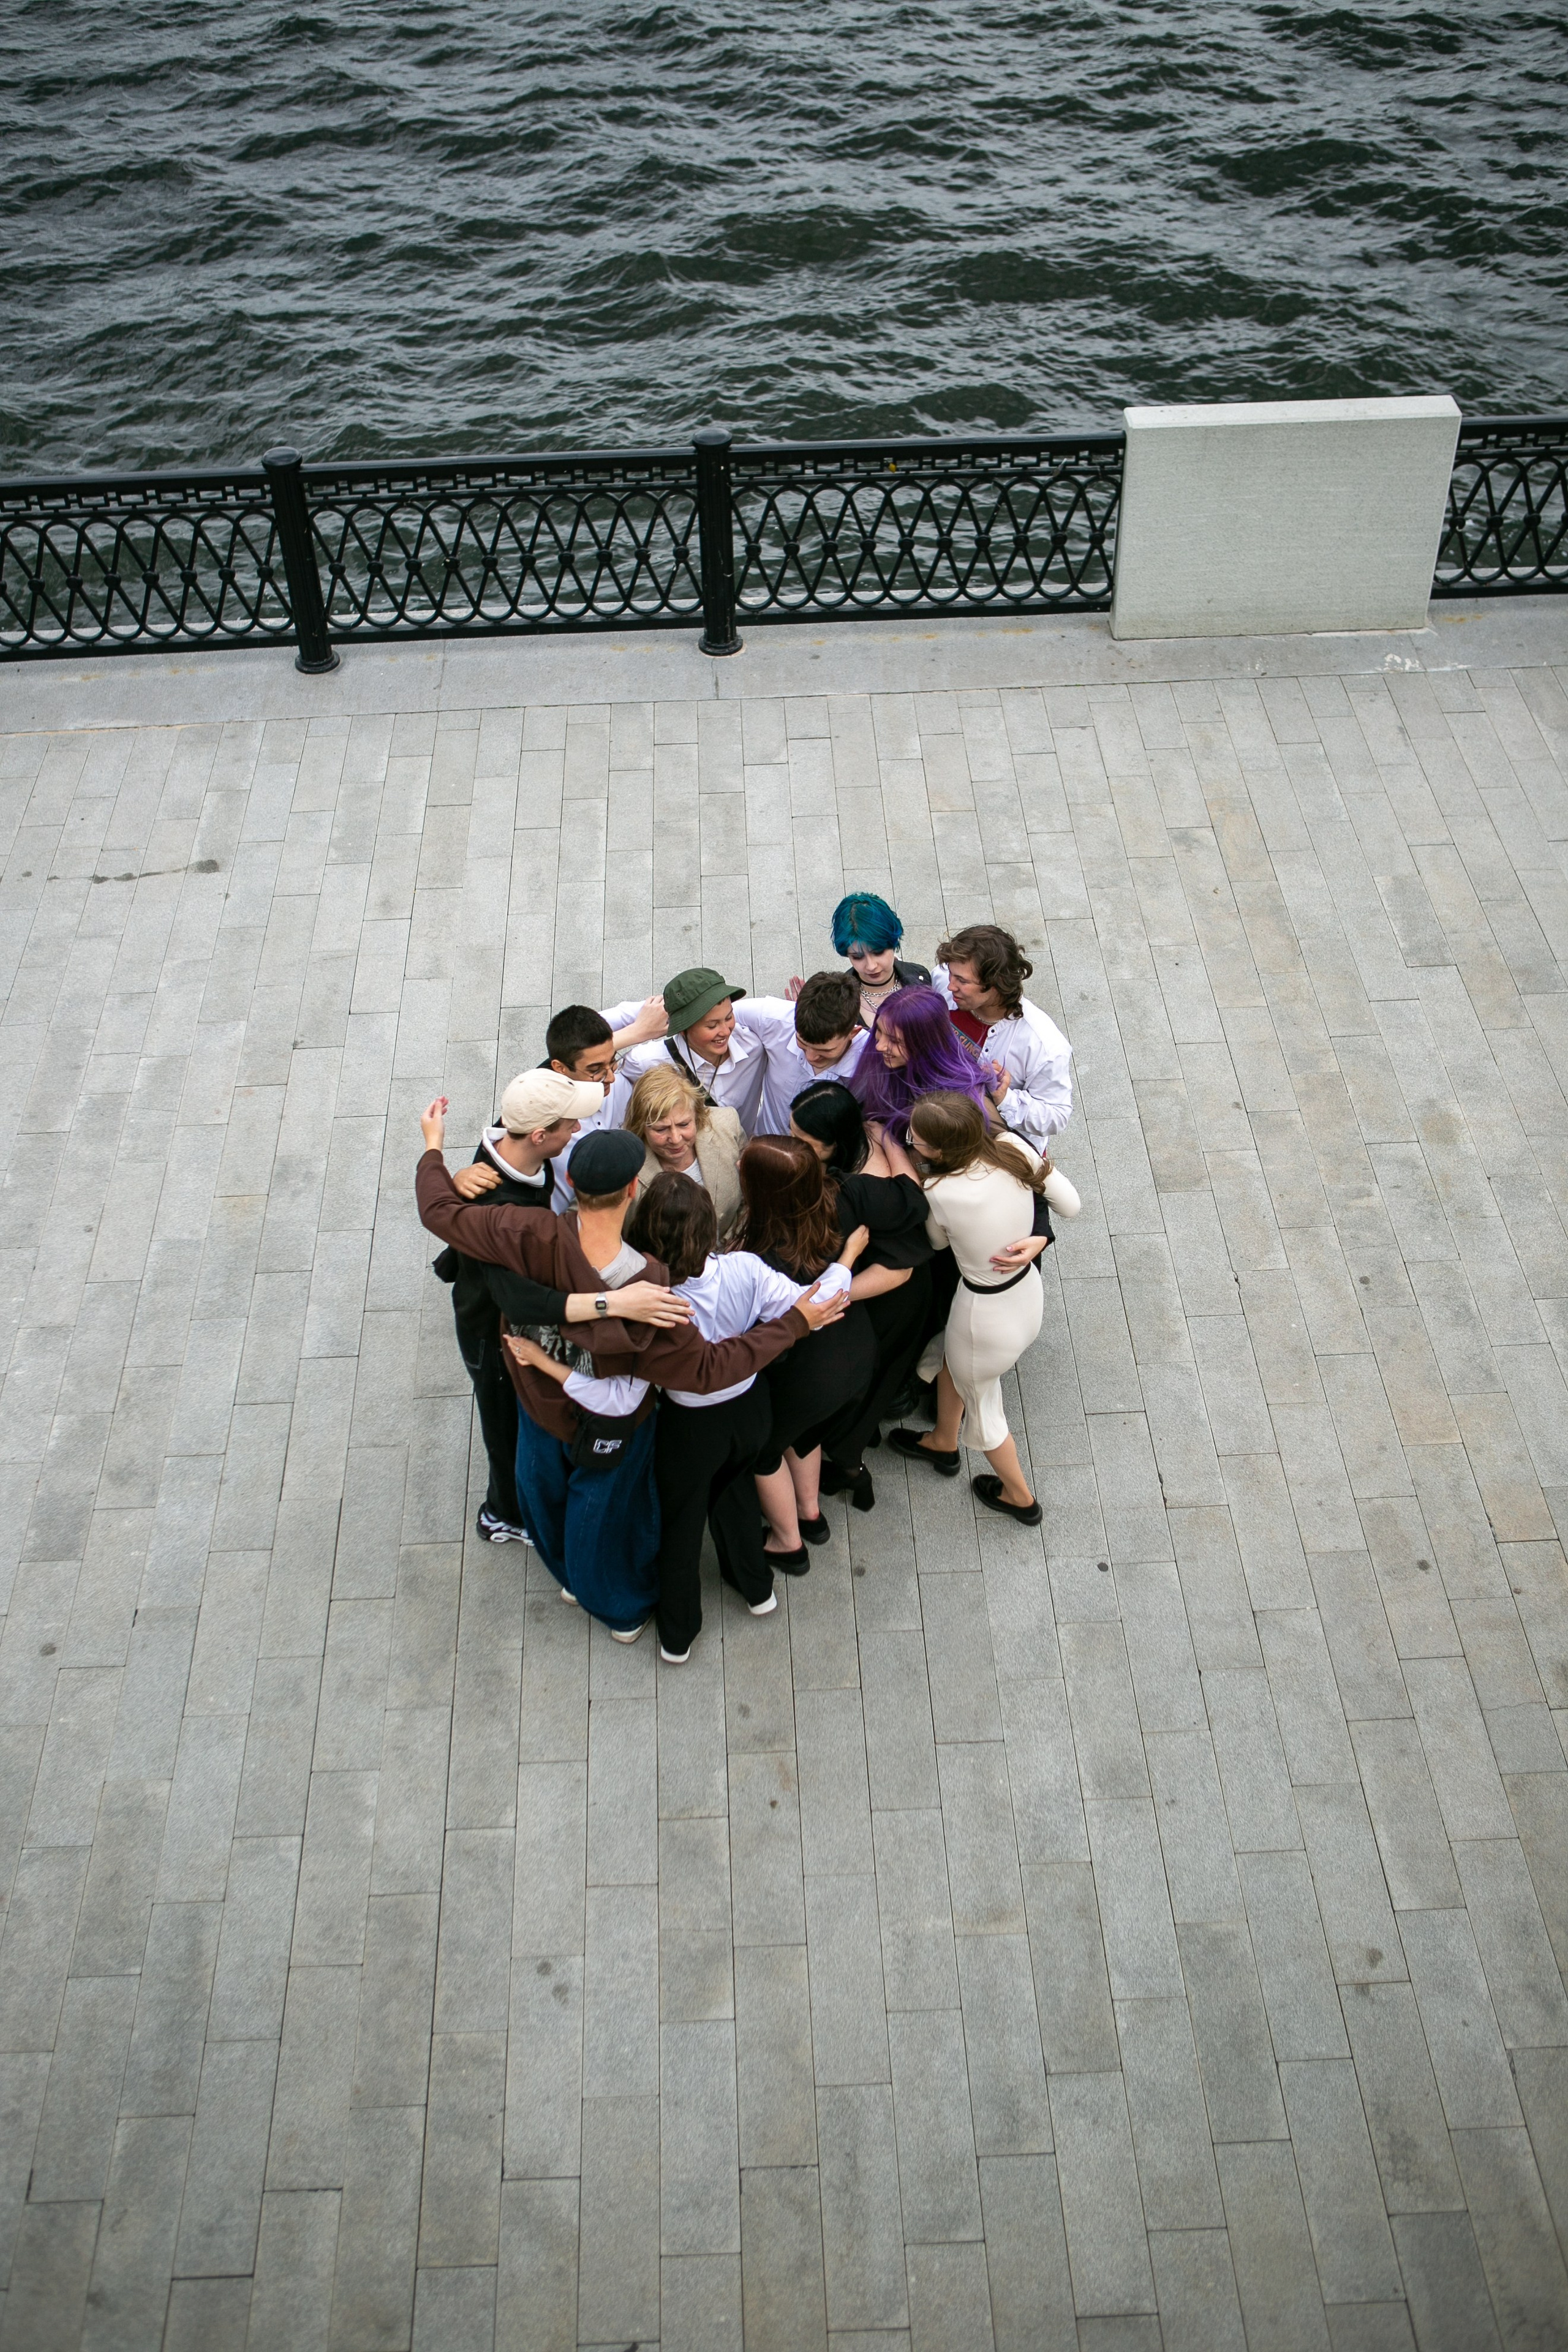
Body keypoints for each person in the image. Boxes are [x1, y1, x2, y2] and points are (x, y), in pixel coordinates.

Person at [417, 1116, 840, 1637]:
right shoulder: (652, 1292)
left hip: (538, 1402)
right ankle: (621, 1607)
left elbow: (440, 1212)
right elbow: (707, 1370)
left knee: (542, 1497)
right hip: (615, 1428)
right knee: (607, 1517)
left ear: (571, 1183)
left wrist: (435, 1149)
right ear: (631, 1189)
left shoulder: (524, 1229)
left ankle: (570, 1577)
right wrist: (795, 1324)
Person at [431, 1068, 690, 1547]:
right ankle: (502, 1514)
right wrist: (613, 1301)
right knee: (504, 1422)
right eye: (571, 1124)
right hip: (493, 1331)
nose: (578, 1131)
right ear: (539, 1135)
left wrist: (438, 1157)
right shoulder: (501, 1207)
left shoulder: (513, 1148)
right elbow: (522, 1300)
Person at [622, 1174, 857, 1662]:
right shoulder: (746, 1270)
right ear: (711, 1228)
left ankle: (678, 1635)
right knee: (733, 1496)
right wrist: (847, 1262)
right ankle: (756, 1588)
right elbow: (809, 1302)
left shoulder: (647, 1296)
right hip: (751, 1412)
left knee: (682, 1526)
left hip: (690, 1427)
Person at [883, 1093, 1049, 1527]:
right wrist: (1040, 1237)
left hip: (982, 1316)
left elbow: (937, 1243)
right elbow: (1068, 1201)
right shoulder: (1012, 1148)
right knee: (952, 1361)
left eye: (914, 1140)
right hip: (1027, 1296)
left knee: (986, 1410)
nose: (911, 1144)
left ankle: (1020, 1497)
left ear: (936, 1151)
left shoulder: (941, 1189)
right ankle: (942, 1440)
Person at [729, 1135, 878, 1568]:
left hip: (807, 1368)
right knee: (806, 1432)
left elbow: (797, 1311)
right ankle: (810, 1514)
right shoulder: (835, 1205)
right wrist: (848, 1257)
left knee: (765, 1452)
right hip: (853, 1354)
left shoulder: (760, 1253)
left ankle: (787, 1543)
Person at [788, 1081, 935, 1513]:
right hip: (873, 1288)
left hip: (887, 1296)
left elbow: (900, 1268)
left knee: (865, 1386)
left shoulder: (861, 1189)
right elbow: (912, 1194)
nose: (793, 1144)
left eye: (803, 1141)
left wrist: (836, 1293)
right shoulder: (867, 1140)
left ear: (833, 1146)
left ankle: (850, 1467)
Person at [932, 925, 1079, 1204]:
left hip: (997, 1152)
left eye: (962, 980)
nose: (951, 985)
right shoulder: (944, 983)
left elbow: (1057, 1116)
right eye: (951, 974)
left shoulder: (1044, 1046)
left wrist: (1005, 1098)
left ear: (996, 984)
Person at [609, 967, 767, 1133]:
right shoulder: (646, 1061)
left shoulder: (754, 1046)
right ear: (683, 1030)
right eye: (712, 1026)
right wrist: (636, 1032)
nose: (726, 1031)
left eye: (729, 1018)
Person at [850, 983, 993, 1143]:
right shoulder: (884, 1064)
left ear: (927, 1044)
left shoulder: (968, 1099)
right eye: (880, 1031)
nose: (879, 1046)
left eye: (895, 1041)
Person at [734, 970, 868, 1136]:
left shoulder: (873, 1056)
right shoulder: (774, 1018)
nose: (811, 1057)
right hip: (765, 1148)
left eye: (825, 1051)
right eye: (802, 1044)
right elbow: (721, 1015)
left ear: (853, 1033)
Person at [624, 1065, 746, 1240]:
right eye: (661, 1129)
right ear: (641, 1127)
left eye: (684, 1125)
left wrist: (735, 1245)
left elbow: (750, 1197)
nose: (675, 1138)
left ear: (697, 1115)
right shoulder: (625, 1163)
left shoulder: (727, 1125)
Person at [789, 892, 931, 1027]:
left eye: (879, 952)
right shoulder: (835, 1000)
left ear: (893, 943)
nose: (871, 966)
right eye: (857, 957)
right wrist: (809, 1022)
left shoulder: (920, 975)